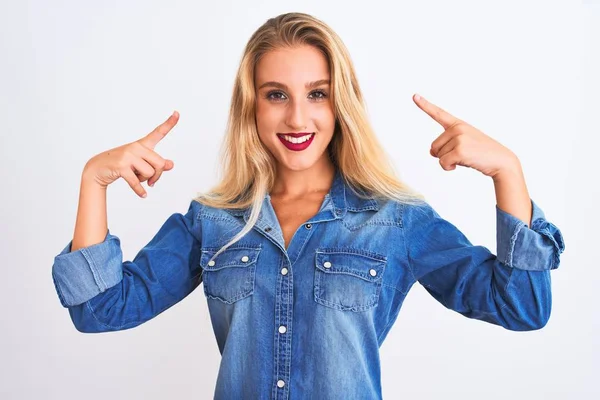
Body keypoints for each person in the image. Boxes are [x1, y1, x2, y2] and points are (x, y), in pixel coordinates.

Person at [51, 12, 565, 400]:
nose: (298, 117)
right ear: (250, 105)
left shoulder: (395, 221)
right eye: (276, 94)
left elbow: (521, 307)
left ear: (341, 103)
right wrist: (93, 181)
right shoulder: (212, 220)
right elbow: (100, 310)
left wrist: (508, 173)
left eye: (316, 93)